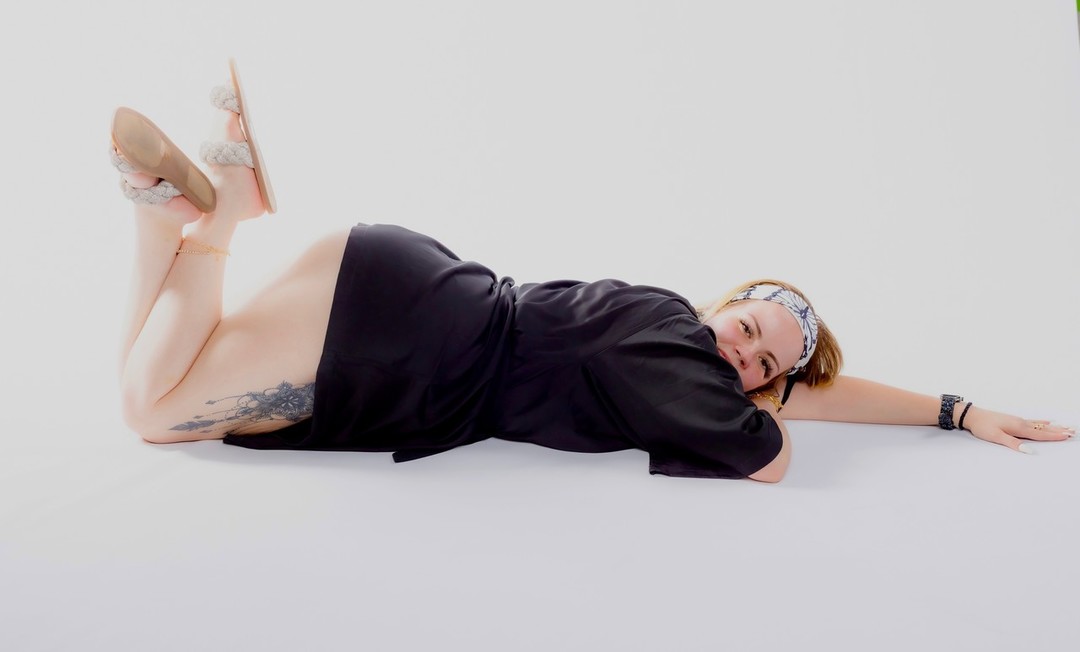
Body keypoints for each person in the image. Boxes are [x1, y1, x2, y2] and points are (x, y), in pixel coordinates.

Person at [111, 61, 1074, 483]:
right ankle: (224, 209)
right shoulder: (677, 357)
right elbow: (769, 455)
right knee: (156, 413)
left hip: (398, 272)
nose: (743, 359)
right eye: (748, 330)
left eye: (762, 363)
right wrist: (768, 400)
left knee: (162, 378)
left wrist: (953, 410)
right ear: (723, 306)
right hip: (405, 343)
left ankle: (166, 218)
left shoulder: (661, 324)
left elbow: (810, 395)